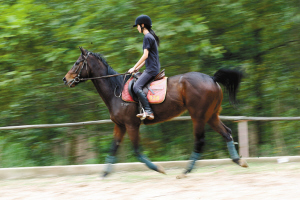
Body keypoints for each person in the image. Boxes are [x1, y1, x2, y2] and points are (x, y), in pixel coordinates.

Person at [128, 15, 161, 120]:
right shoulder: (151, 36)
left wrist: (133, 67)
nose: (137, 28)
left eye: (137, 26)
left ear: (142, 25)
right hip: (153, 67)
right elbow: (148, 58)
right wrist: (138, 68)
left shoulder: (147, 37)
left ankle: (149, 111)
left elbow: (145, 55)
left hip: (151, 70)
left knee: (136, 87)